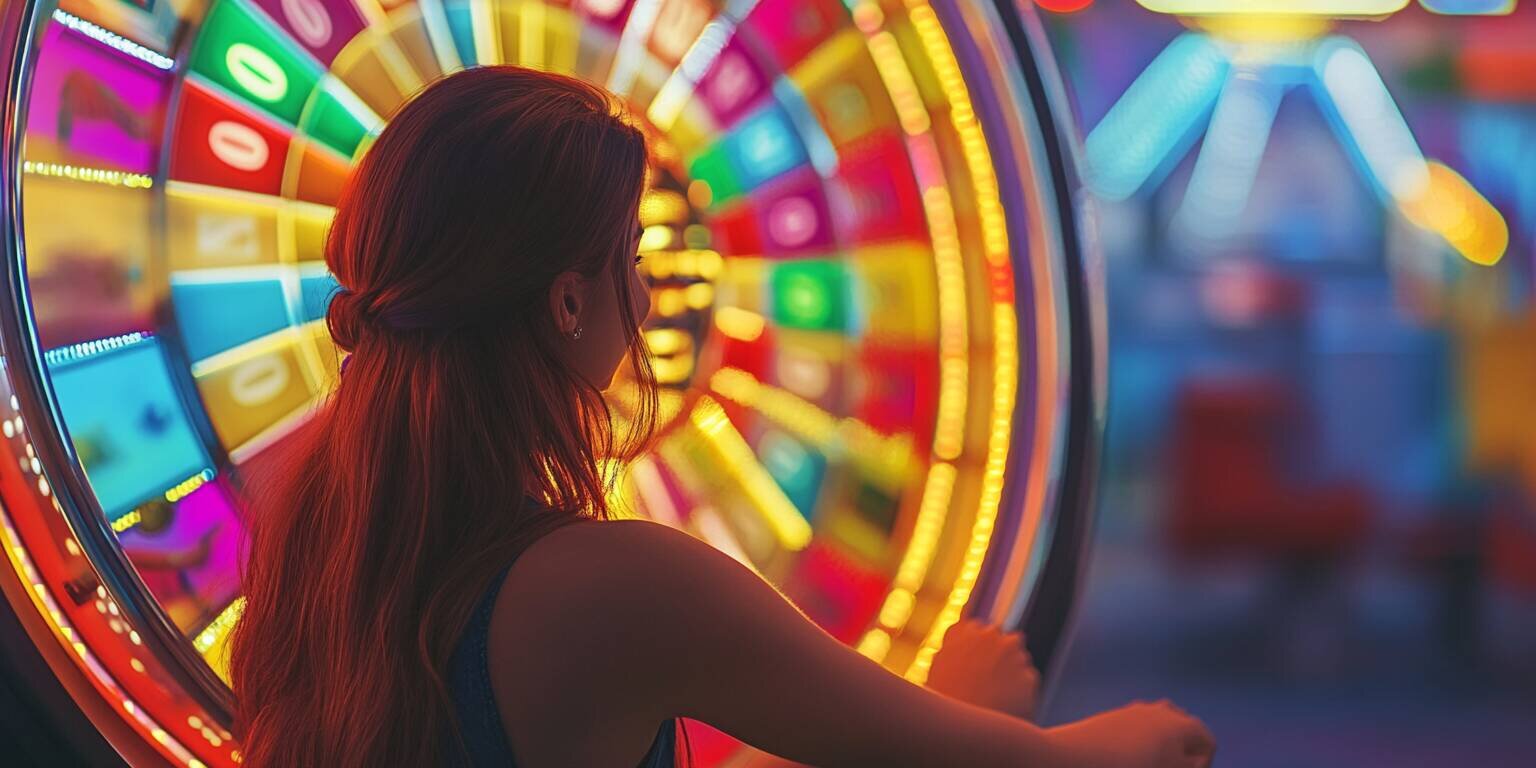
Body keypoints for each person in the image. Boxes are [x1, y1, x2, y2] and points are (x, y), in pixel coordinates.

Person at [228, 66, 1215, 768]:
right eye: (634, 260)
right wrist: (1132, 734)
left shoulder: (315, 550)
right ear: (568, 302)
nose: (653, 295)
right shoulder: (611, 582)